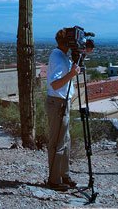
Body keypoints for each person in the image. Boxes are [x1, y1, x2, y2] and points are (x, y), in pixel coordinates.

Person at [45, 29, 80, 191]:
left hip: (63, 102)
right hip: (57, 103)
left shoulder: (62, 55)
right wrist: (72, 74)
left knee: (65, 141)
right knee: (57, 142)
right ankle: (54, 180)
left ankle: (64, 174)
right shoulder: (58, 56)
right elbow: (55, 84)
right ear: (66, 42)